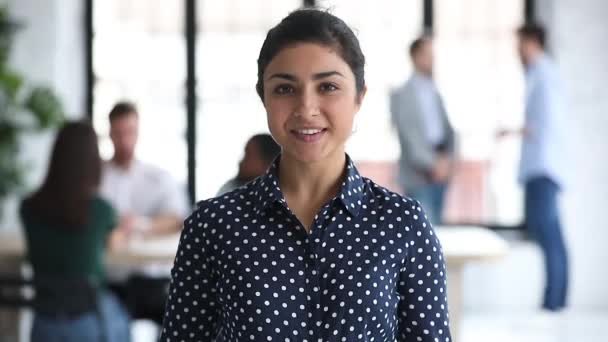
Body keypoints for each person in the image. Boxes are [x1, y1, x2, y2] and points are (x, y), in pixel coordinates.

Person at [161, 9, 451, 342]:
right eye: (285, 89)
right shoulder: (213, 226)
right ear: (264, 98)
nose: (307, 108)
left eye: (328, 86)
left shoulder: (403, 224)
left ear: (359, 97)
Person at [20, 121, 130, 342]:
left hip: (43, 324)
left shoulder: (28, 207)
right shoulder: (101, 210)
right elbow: (114, 243)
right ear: (92, 161)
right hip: (88, 323)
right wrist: (123, 229)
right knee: (123, 312)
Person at [498, 23, 569, 311]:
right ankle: (554, 301)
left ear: (532, 42)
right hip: (542, 166)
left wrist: (515, 131)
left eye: (520, 44)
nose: (517, 50)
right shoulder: (540, 74)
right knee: (549, 233)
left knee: (548, 234)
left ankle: (553, 303)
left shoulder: (544, 74)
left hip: (544, 168)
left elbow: (544, 124)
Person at [100, 101, 189, 325]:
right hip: (109, 278)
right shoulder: (97, 176)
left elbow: (176, 218)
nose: (124, 140)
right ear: (110, 133)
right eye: (118, 133)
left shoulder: (157, 177)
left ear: (138, 132)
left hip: (150, 278)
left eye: (129, 132)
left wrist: (140, 224)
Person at [390, 36, 455, 225]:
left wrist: (447, 161)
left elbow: (447, 130)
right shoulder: (402, 94)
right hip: (418, 173)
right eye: (428, 55)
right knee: (424, 231)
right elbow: (409, 136)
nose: (432, 59)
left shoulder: (434, 90)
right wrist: (432, 164)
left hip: (442, 168)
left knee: (438, 233)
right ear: (415, 57)